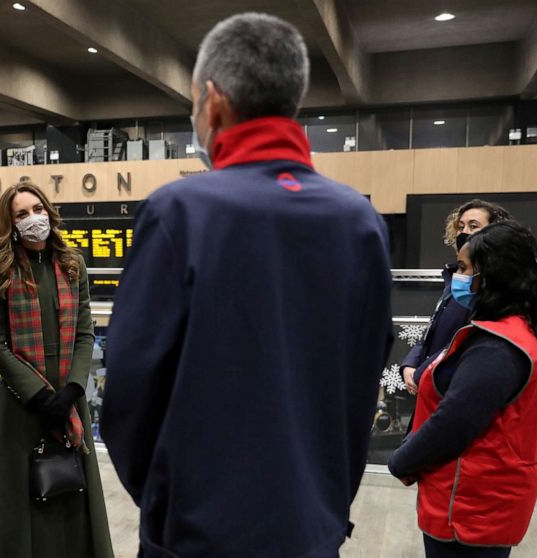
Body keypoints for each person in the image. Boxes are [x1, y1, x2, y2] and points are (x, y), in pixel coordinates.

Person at [101, 13, 393, 557]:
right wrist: (325, 503)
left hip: (198, 534)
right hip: (312, 529)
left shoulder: (179, 212)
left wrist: (167, 503)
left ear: (212, 101)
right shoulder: (359, 222)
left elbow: (129, 389)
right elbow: (361, 388)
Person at [388, 221, 537, 557]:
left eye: (466, 269)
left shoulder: (496, 347)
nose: (458, 277)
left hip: (469, 511)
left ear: (493, 275)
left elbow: (453, 424)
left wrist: (400, 460)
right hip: (474, 505)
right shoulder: (503, 333)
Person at [0, 181, 113, 558]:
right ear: (11, 222)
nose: (32, 219)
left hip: (70, 400)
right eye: (21, 214)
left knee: (75, 491)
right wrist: (39, 396)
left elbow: (85, 333)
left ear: (49, 211)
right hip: (25, 403)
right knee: (23, 499)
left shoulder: (73, 264)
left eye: (37, 209)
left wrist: (72, 390)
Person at [402, 199, 511, 394]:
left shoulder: (495, 288)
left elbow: (465, 343)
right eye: (461, 227)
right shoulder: (455, 280)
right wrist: (411, 363)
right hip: (429, 383)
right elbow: (432, 331)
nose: (464, 232)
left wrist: (421, 373)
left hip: (454, 388)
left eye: (473, 226)